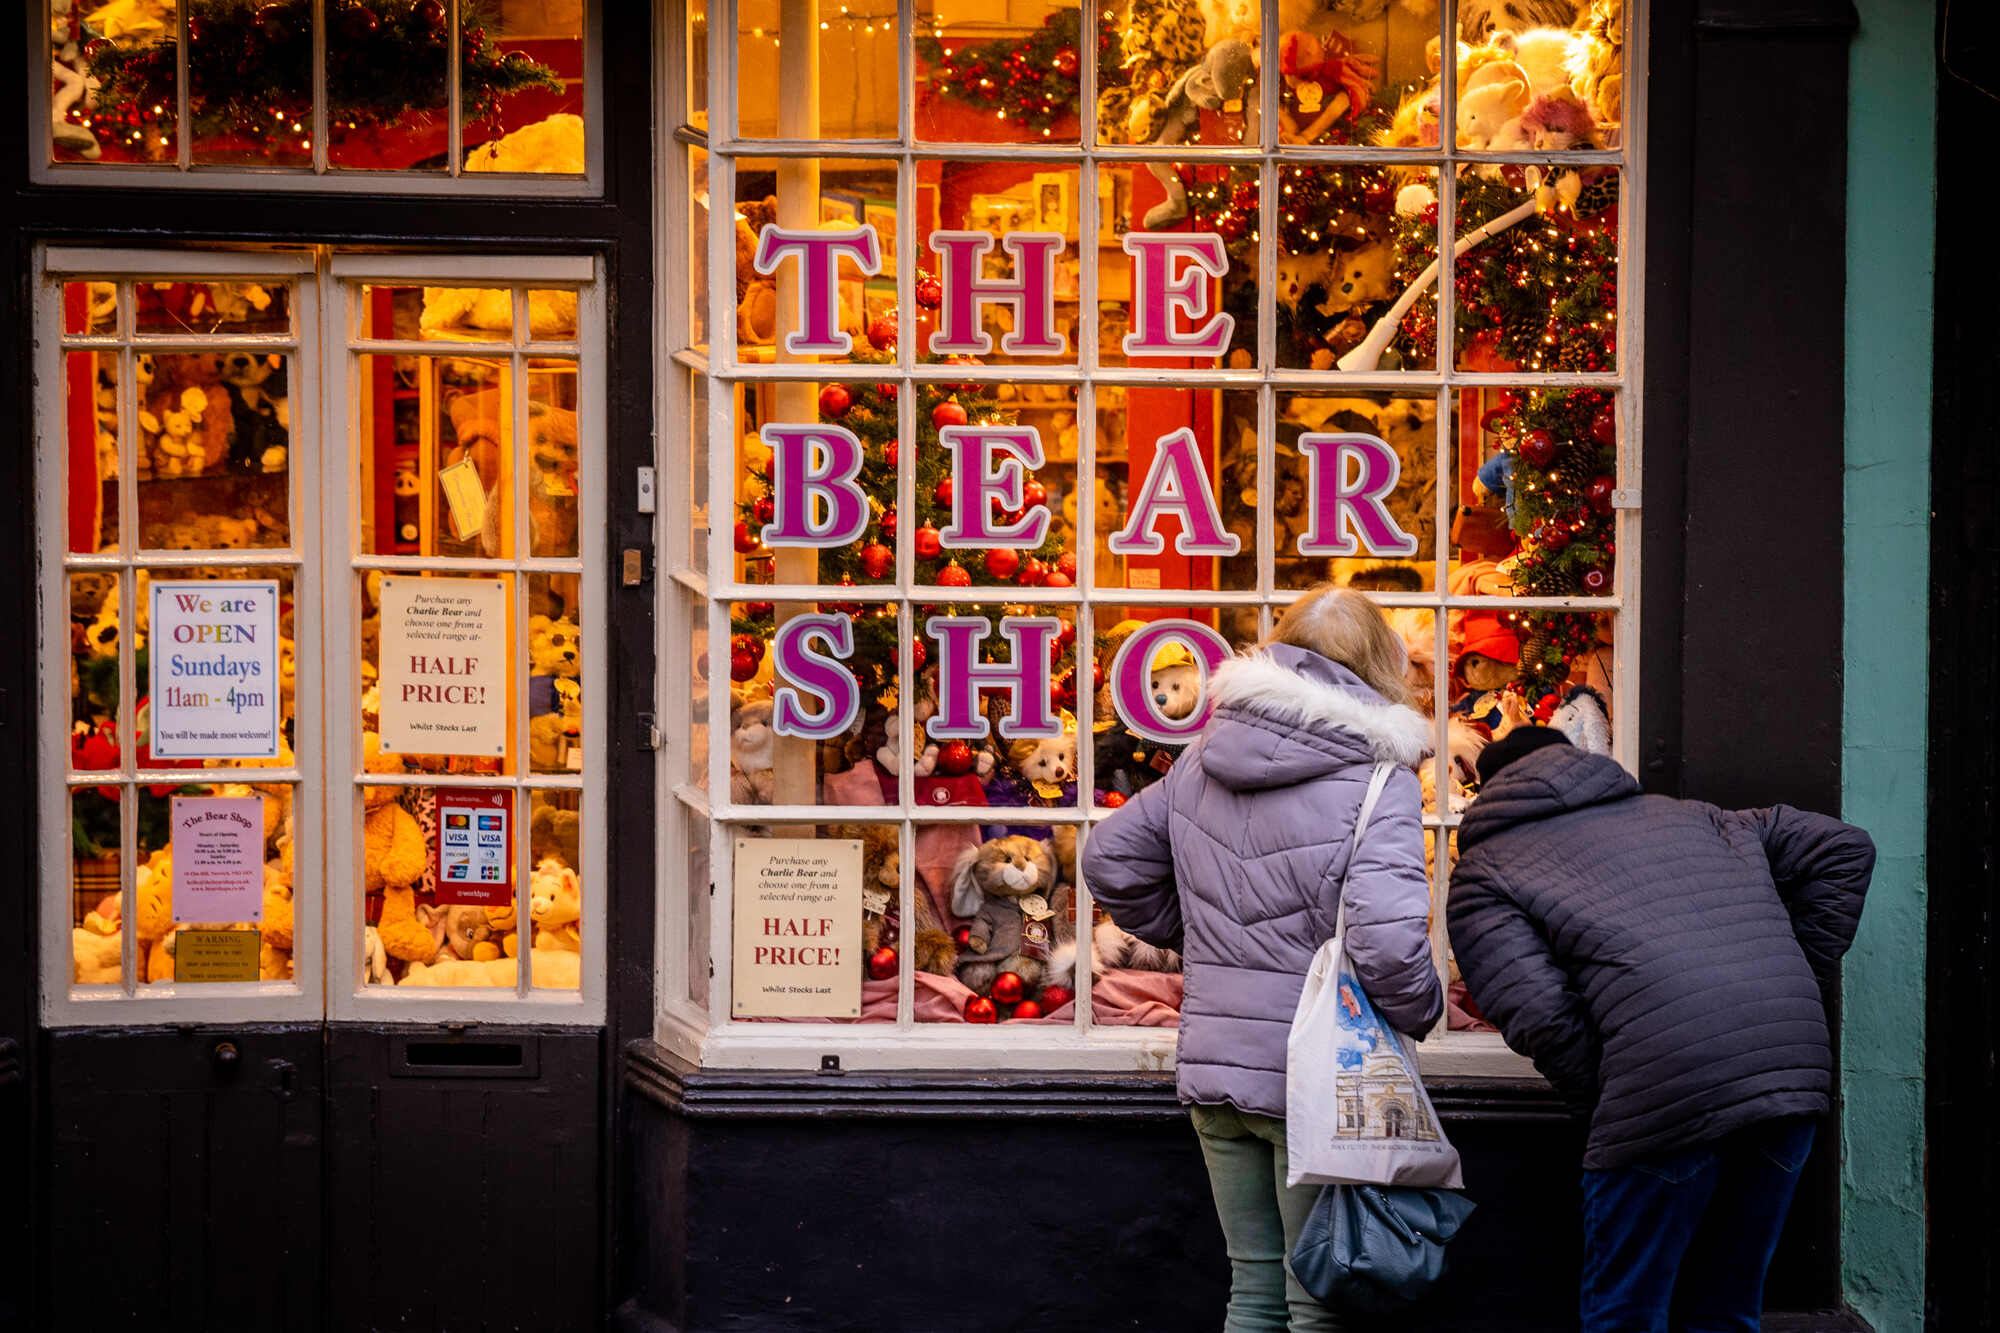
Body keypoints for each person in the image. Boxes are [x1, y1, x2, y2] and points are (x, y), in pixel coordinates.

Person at [1083, 586, 1443, 1332]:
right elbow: (1387, 942)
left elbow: (1109, 856)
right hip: (1318, 1077)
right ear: (1378, 665)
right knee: (1316, 1302)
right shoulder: (1381, 780)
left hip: (1215, 1065)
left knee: (1251, 1290)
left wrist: (1202, 938)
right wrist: (1422, 1010)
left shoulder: (1202, 757)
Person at [1446, 726, 1875, 1333]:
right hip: (1785, 1071)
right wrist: (1791, 972)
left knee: (1627, 1313)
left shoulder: (1486, 870)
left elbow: (1539, 1013)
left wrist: (1610, 1090)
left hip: (1664, 1088)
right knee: (1726, 1309)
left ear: (1490, 790)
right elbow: (1845, 846)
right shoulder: (1700, 817)